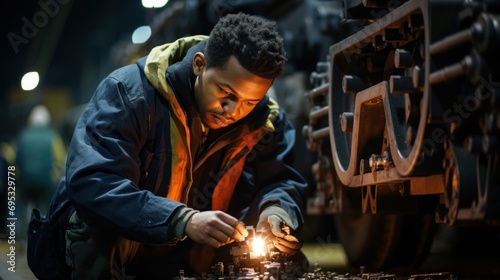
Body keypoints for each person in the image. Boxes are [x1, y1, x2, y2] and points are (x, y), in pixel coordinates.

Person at [27, 12, 307, 279]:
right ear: (199, 64)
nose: (233, 110)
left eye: (249, 101)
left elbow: (280, 180)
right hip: (123, 249)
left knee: (283, 257)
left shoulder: (264, 120)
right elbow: (94, 182)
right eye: (225, 93)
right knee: (101, 229)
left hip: (182, 255)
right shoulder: (130, 94)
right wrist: (181, 220)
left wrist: (276, 213)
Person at [15, 105, 66, 240]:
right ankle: (42, 241)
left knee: (25, 210)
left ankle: (24, 241)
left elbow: (16, 159)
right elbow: (60, 159)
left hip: (26, 181)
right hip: (45, 182)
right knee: (44, 211)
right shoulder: (52, 136)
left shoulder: (23, 135)